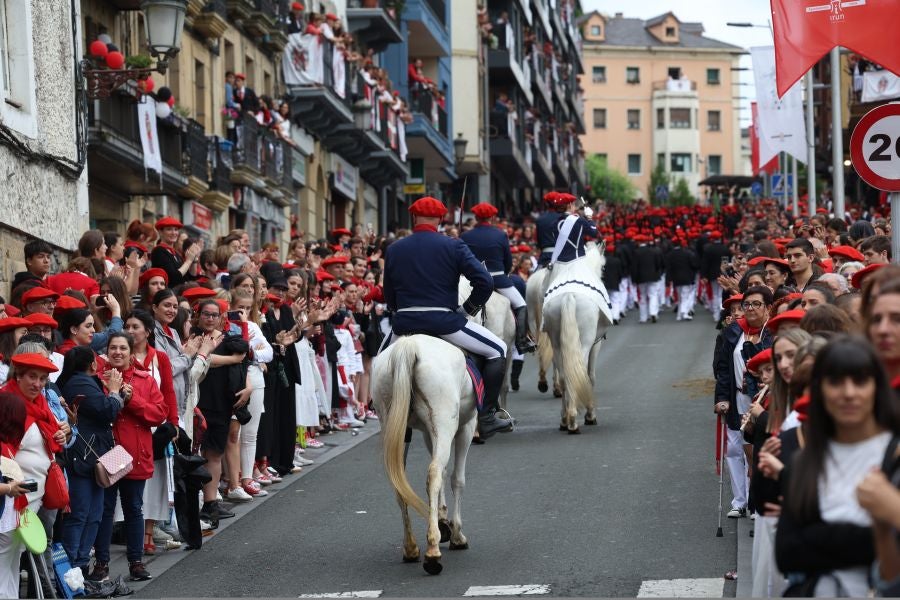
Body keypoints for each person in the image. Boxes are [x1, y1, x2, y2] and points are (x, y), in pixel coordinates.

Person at [379, 196, 513, 439]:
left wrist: (400, 310)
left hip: (404, 323)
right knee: (498, 349)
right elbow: (485, 281)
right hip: (444, 322)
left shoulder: (394, 248)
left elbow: (389, 293)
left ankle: (375, 403)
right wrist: (468, 309)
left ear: (413, 217)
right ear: (441, 219)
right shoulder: (453, 245)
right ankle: (488, 415)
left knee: (381, 360)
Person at [775, 336, 899, 597]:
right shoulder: (804, 462)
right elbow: (787, 553)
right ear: (819, 390)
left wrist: (816, 535)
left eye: (860, 381)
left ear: (877, 387)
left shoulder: (895, 453)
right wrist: (869, 537)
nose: (849, 393)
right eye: (835, 382)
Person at [94, 332, 168, 582]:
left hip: (134, 453)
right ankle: (101, 563)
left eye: (122, 348)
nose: (117, 352)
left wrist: (132, 399)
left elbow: (159, 414)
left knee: (133, 508)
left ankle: (136, 562)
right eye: (113, 348)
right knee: (105, 510)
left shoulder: (144, 380)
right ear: (107, 351)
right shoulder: (96, 379)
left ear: (130, 351)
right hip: (108, 454)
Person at [57, 346, 124, 579]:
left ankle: (81, 565)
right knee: (81, 514)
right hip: (83, 458)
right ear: (91, 364)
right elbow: (107, 410)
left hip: (95, 456)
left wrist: (118, 393)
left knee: (95, 513)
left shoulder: (85, 382)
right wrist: (115, 392)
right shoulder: (79, 382)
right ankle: (72, 566)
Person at [714, 285, 774, 518]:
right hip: (736, 397)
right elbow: (723, 368)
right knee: (734, 449)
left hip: (764, 399)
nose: (749, 309)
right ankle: (739, 500)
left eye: (756, 304)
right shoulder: (733, 331)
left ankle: (755, 500)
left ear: (768, 308)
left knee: (756, 449)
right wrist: (721, 398)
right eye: (746, 305)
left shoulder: (772, 333)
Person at [461, 203, 535, 353]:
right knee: (521, 305)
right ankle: (522, 341)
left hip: (472, 281)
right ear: (492, 217)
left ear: (476, 217)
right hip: (498, 279)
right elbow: (508, 260)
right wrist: (506, 272)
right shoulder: (501, 234)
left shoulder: (465, 235)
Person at [0, 391, 29, 599]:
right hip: (12, 519)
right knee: (9, 574)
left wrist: (9, 488)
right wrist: (11, 488)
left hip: (6, 519)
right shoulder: (8, 446)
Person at [150, 217, 201, 288]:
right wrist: (188, 261)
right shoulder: (159, 251)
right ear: (160, 232)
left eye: (176, 229)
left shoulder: (176, 254)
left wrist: (194, 260)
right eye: (169, 229)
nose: (174, 233)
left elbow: (190, 278)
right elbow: (174, 277)